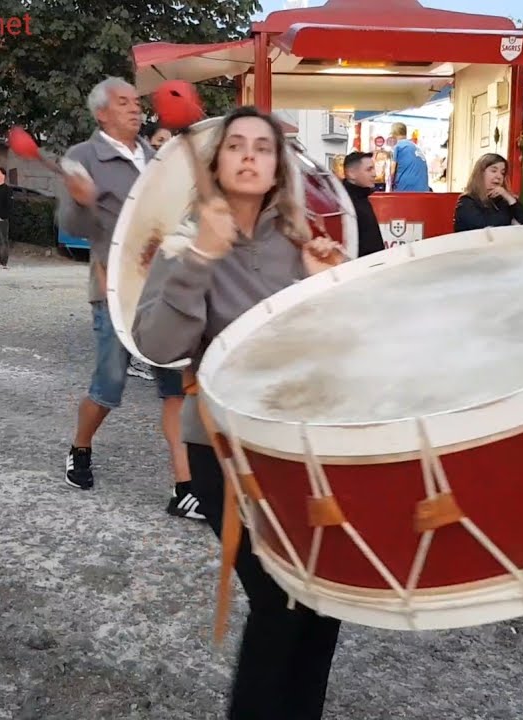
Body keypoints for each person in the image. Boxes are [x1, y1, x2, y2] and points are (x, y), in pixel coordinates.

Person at [133, 106, 344, 720]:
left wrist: (327, 286)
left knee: (325, 603)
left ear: (278, 167)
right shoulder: (183, 240)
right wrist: (200, 257)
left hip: (300, 445)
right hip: (222, 450)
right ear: (219, 164)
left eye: (263, 147)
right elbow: (159, 346)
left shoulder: (302, 242)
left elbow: (334, 353)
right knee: (280, 601)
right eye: (236, 146)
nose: (250, 155)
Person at [57, 76, 200, 521]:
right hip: (113, 289)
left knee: (173, 386)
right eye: (123, 103)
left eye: (136, 102)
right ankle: (80, 448)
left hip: (163, 287)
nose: (135, 109)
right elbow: (70, 224)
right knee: (109, 385)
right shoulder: (82, 158)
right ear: (101, 113)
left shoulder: (156, 157)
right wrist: (81, 202)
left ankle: (185, 488)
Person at [452, 153, 523, 232]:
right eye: (494, 171)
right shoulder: (466, 201)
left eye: (502, 173)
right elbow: (486, 228)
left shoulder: (502, 201)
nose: (499, 176)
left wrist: (510, 199)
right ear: (480, 173)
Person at [340, 151, 384, 256]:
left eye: (373, 168)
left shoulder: (362, 197)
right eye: (369, 169)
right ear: (351, 173)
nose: (374, 174)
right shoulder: (346, 203)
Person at [388, 122, 430, 192]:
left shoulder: (398, 147)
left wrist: (390, 188)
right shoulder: (415, 147)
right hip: (423, 189)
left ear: (393, 134)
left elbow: (392, 172)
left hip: (406, 190)